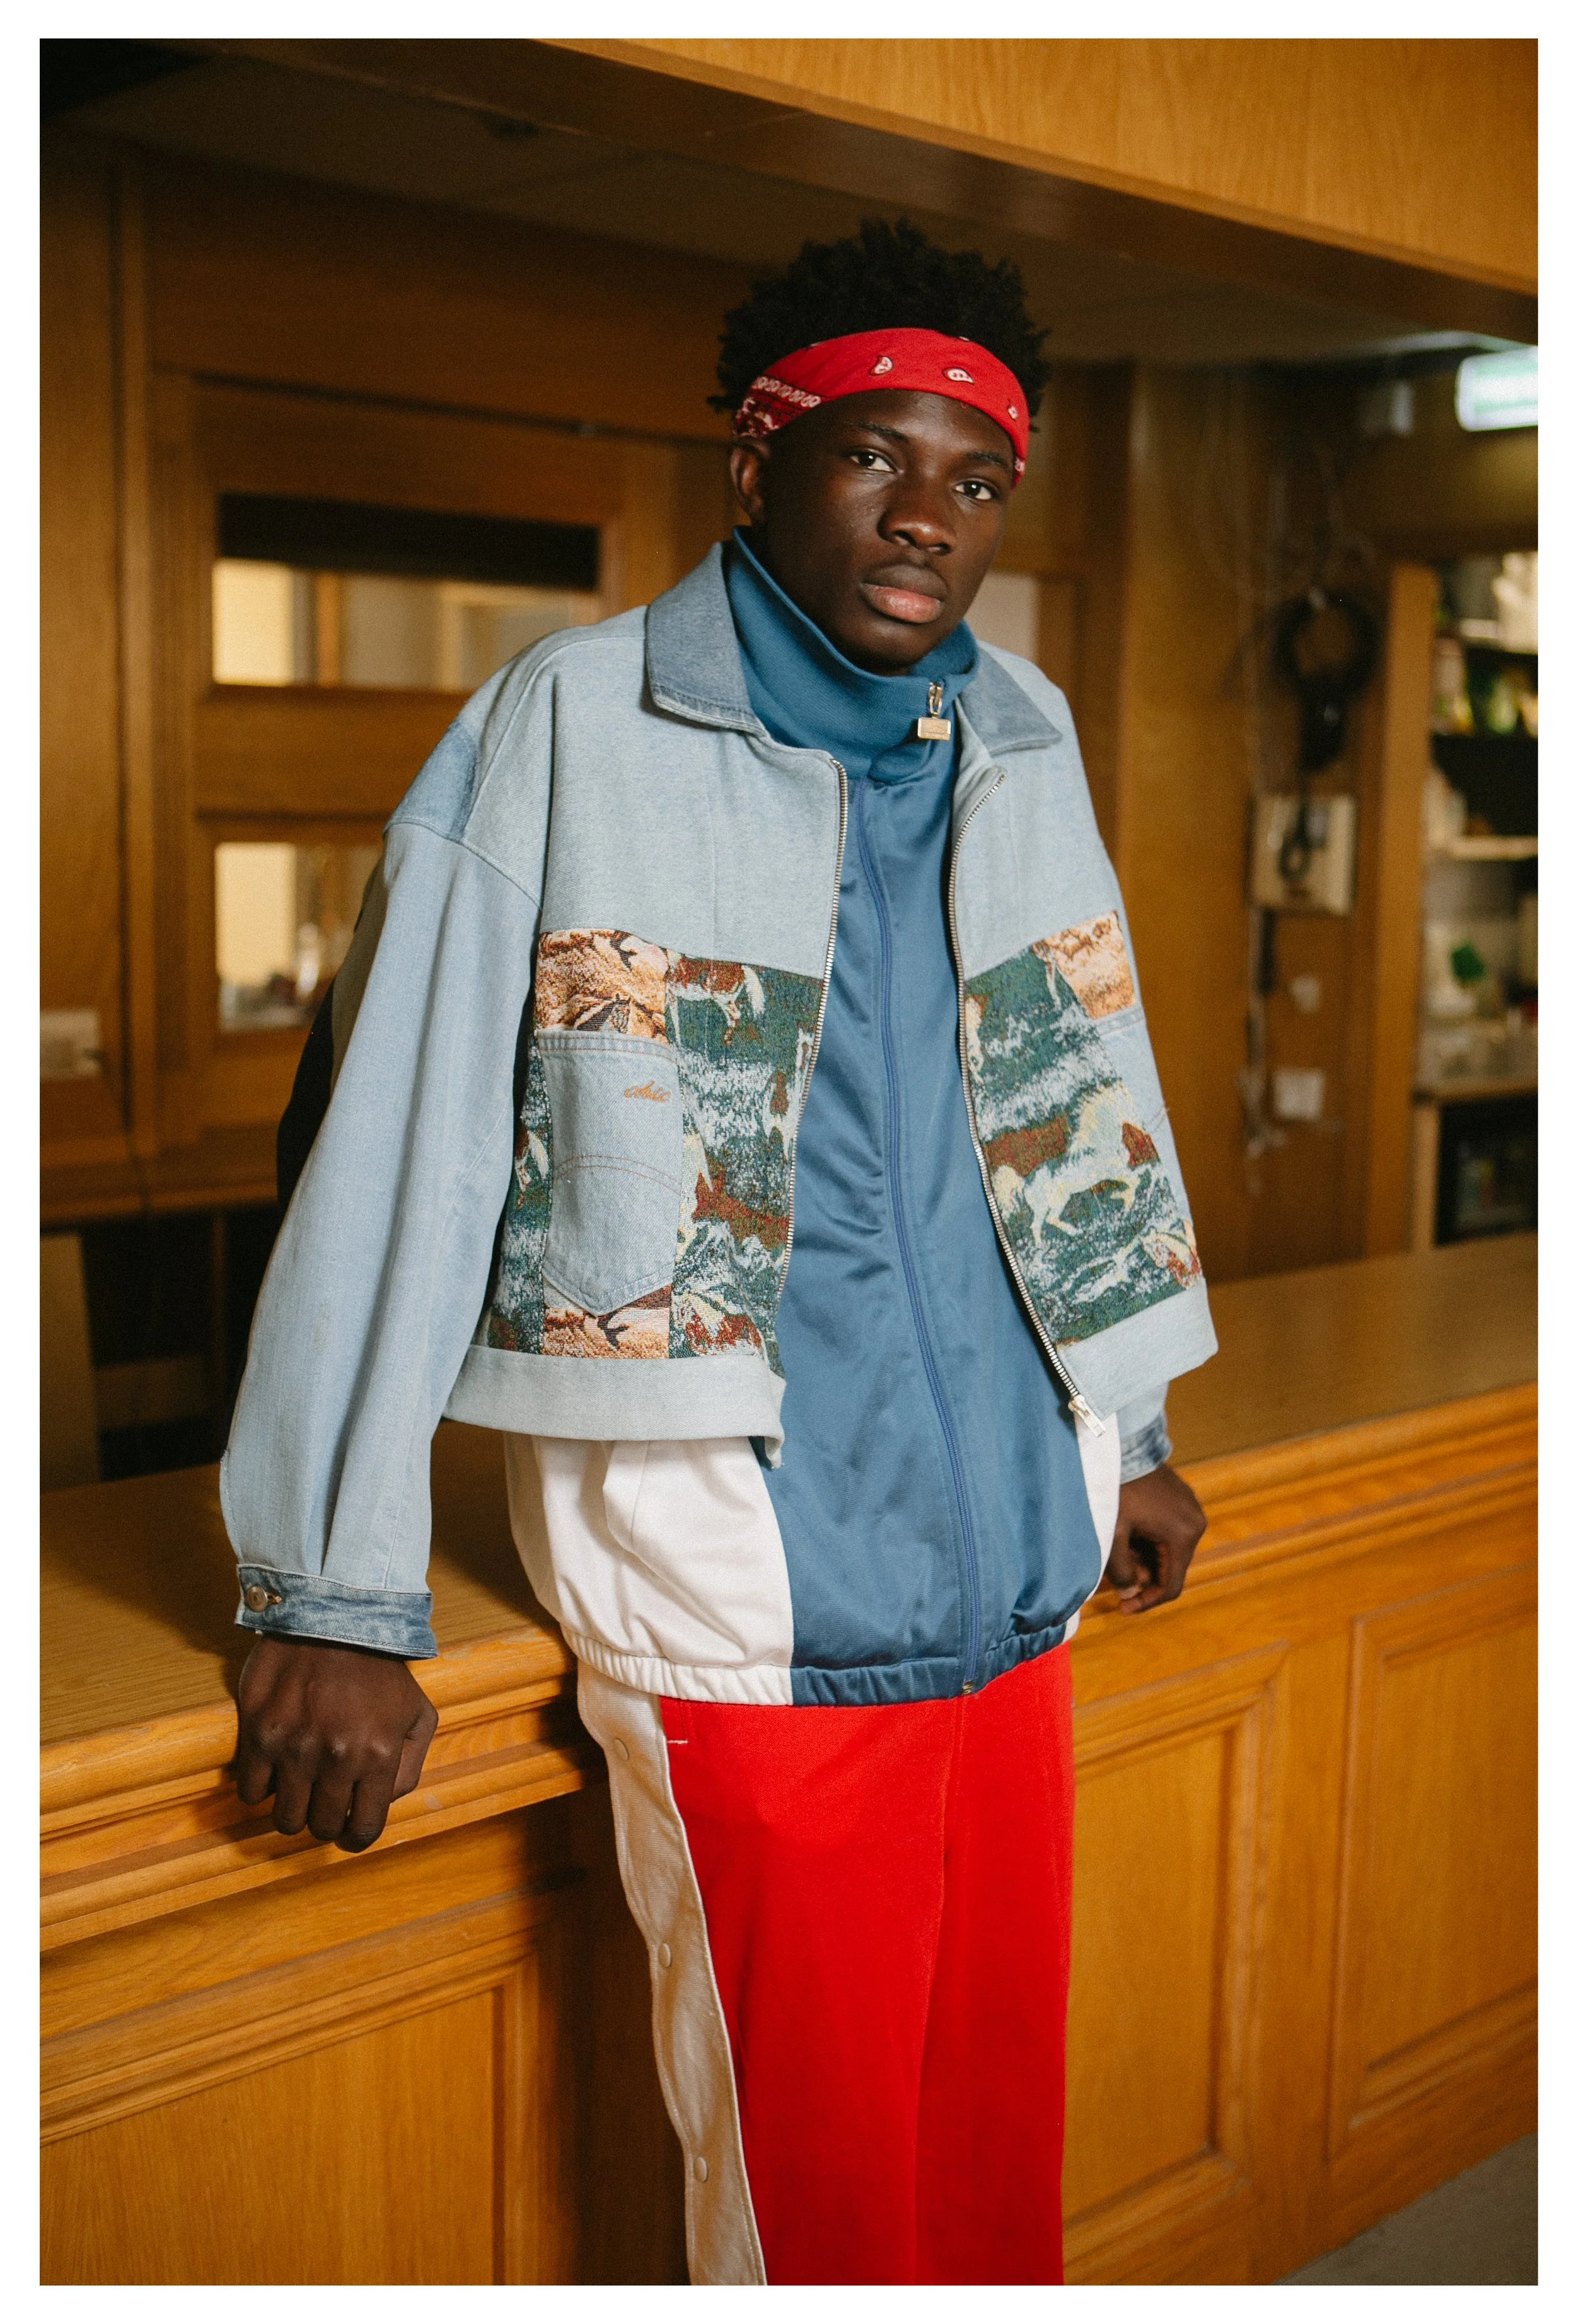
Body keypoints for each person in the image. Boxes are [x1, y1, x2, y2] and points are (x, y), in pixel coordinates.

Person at [223, 218, 1214, 2286]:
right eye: (874, 457)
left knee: (989, 2171)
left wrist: (1121, 1429)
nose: (927, 518)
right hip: (740, 1589)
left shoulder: (1020, 729)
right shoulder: (567, 723)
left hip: (1020, 1581)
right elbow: (397, 1148)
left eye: (976, 479)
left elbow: (1073, 1084)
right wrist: (332, 1587)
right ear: (756, 458)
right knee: (812, 2207)